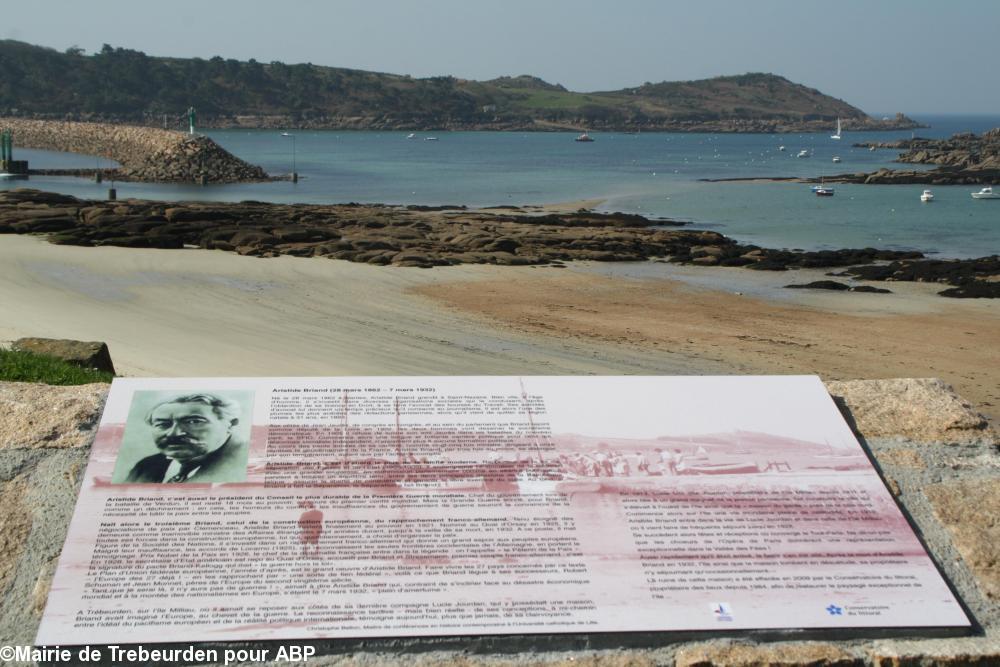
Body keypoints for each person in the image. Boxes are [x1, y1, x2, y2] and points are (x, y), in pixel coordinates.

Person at [125, 393, 248, 483]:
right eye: (162, 424)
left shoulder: (246, 467)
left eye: (194, 422)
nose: (174, 434)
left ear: (230, 425)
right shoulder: (145, 467)